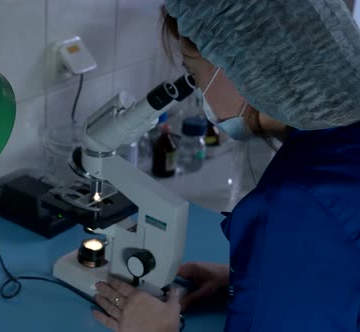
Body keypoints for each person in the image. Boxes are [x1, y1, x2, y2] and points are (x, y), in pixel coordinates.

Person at [92, 1, 360, 331]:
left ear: (245, 68)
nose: (198, 90)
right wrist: (256, 281)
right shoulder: (339, 143)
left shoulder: (299, 207)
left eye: (194, 74)